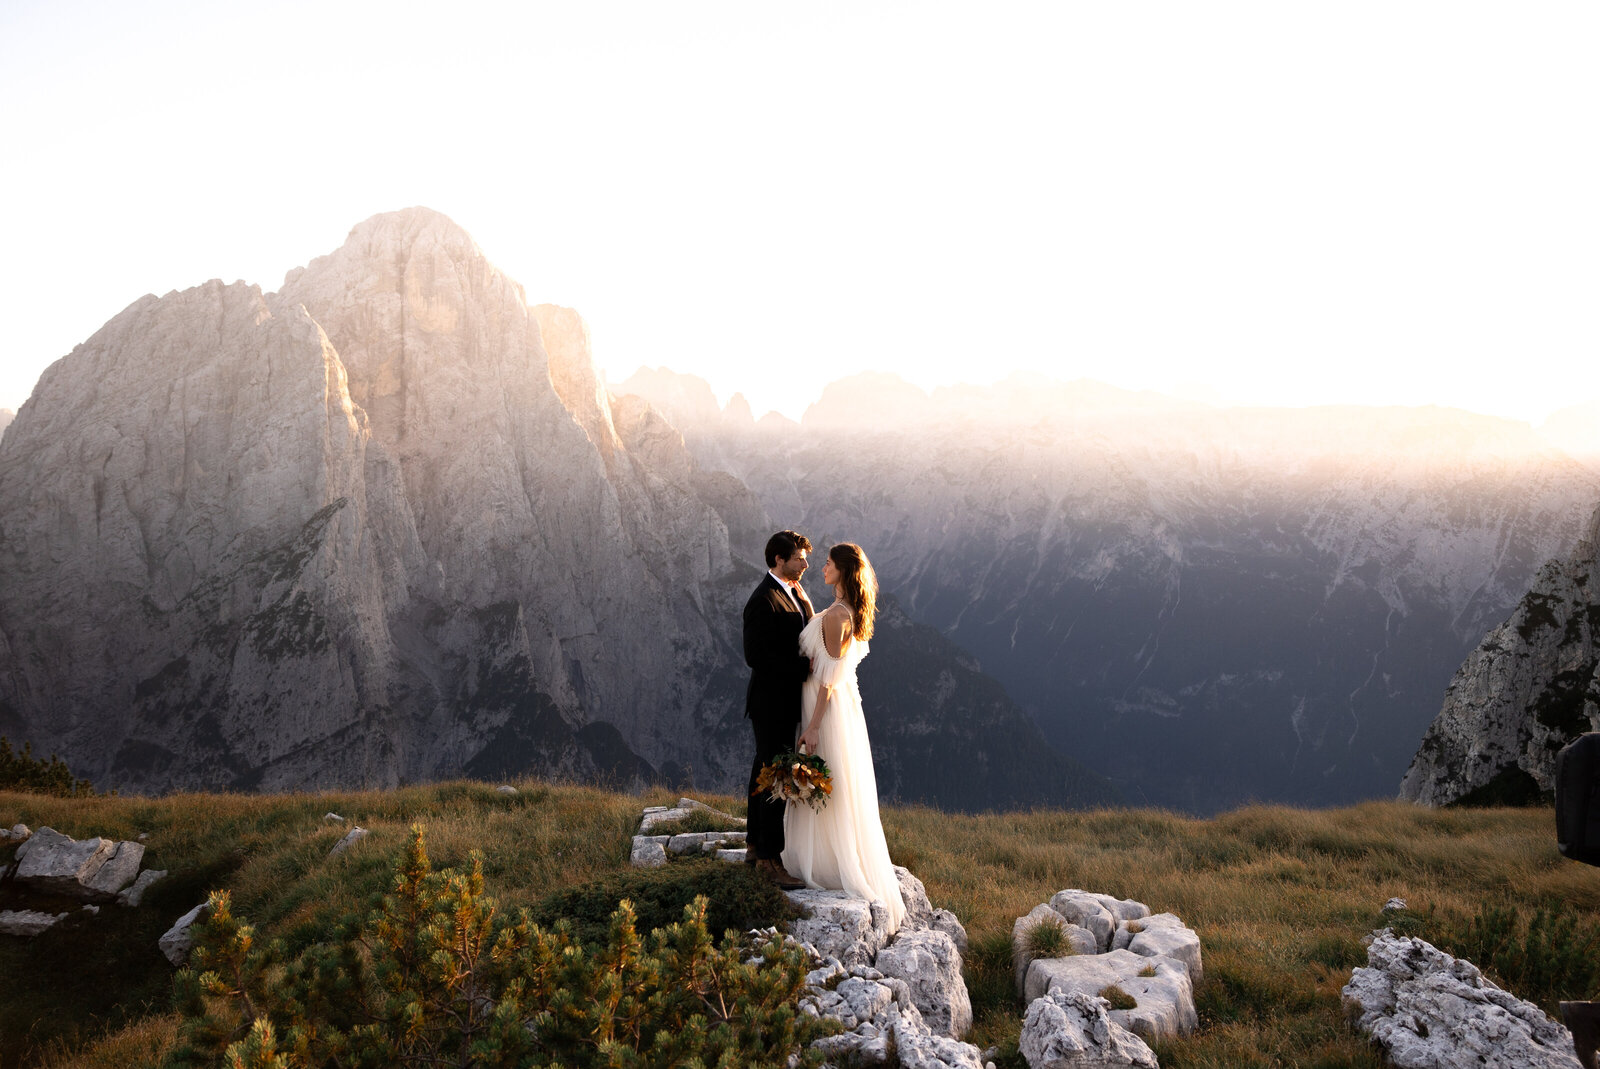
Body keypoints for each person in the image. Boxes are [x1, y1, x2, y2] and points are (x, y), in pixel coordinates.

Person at [782, 542, 906, 934]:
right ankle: (824, 857)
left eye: (829, 563)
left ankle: (827, 864)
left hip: (827, 710)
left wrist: (814, 725)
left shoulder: (838, 616)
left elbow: (829, 681)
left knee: (827, 778)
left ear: (843, 570)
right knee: (833, 783)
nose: (821, 567)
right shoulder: (842, 610)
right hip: (834, 707)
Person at [742, 530, 813, 889]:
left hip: (781, 701)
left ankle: (755, 846)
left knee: (764, 770)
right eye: (799, 557)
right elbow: (755, 656)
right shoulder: (764, 598)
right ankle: (772, 860)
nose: (805, 563)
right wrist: (801, 669)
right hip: (771, 703)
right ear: (778, 560)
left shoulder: (791, 592)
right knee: (776, 777)